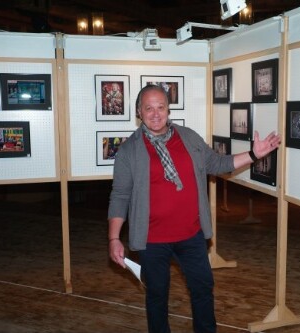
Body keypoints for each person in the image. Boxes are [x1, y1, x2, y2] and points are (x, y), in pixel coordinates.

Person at [107, 84, 280, 333]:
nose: (156, 114)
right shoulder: (129, 151)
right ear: (138, 112)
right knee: (156, 297)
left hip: (191, 236)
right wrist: (114, 237)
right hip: (152, 241)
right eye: (149, 108)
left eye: (161, 107)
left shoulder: (188, 137)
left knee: (202, 290)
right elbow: (120, 195)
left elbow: (218, 163)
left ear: (168, 109)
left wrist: (254, 154)